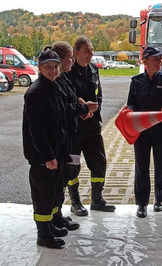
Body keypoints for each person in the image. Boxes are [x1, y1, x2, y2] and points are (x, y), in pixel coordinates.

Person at [44, 42, 98, 229]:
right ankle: (50, 223)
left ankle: (57, 216)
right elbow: (63, 109)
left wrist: (82, 106)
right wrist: (83, 108)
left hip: (67, 135)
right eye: (70, 58)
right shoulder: (54, 82)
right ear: (61, 59)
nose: (73, 61)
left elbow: (71, 99)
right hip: (61, 139)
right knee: (57, 182)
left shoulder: (63, 78)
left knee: (61, 180)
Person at [66, 36, 115, 216]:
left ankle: (97, 199)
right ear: (76, 52)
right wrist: (82, 111)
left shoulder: (94, 70)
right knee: (73, 165)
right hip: (74, 127)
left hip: (92, 125)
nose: (91, 54)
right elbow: (68, 99)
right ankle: (75, 201)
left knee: (99, 162)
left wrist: (93, 111)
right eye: (87, 51)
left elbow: (98, 95)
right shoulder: (68, 72)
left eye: (92, 50)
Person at [23, 50, 67, 248]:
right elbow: (36, 129)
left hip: (54, 150)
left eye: (56, 67)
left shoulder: (53, 86)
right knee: (43, 194)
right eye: (48, 67)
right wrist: (47, 156)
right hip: (42, 155)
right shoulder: (36, 92)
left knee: (53, 191)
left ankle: (49, 226)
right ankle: (43, 235)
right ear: (39, 68)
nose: (53, 70)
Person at [127, 47, 162, 218]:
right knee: (141, 166)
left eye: (160, 59)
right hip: (141, 129)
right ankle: (141, 204)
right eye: (155, 59)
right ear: (145, 61)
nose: (159, 61)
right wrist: (130, 113)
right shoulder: (136, 81)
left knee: (161, 164)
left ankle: (159, 200)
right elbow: (130, 105)